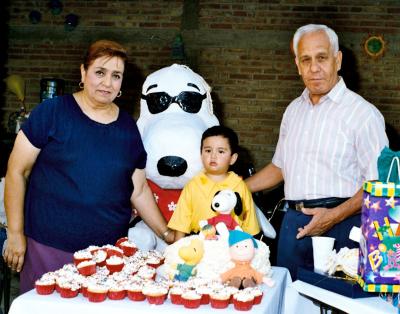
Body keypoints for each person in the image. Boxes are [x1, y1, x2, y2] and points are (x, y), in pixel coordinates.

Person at [3, 40, 174, 293]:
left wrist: (167, 234)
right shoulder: (51, 113)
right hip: (48, 247)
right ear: (83, 73)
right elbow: (17, 171)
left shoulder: (128, 128)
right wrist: (15, 233)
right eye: (100, 72)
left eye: (116, 76)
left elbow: (137, 190)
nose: (107, 83)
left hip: (105, 256)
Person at [245, 24, 388, 280]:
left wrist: (333, 217)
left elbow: (378, 184)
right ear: (297, 65)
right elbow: (280, 167)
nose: (314, 68)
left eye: (322, 58)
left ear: (338, 60)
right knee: (290, 300)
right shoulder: (293, 111)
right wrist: (237, 187)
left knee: (337, 304)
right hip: (293, 225)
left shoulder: (363, 114)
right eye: (306, 60)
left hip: (344, 224)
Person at [168, 125, 260, 240]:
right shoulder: (192, 185)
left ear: (232, 158)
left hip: (231, 244)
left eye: (221, 151)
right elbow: (181, 223)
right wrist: (177, 252)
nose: (213, 156)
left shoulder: (240, 186)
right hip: (199, 243)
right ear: (201, 154)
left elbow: (249, 226)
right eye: (208, 150)